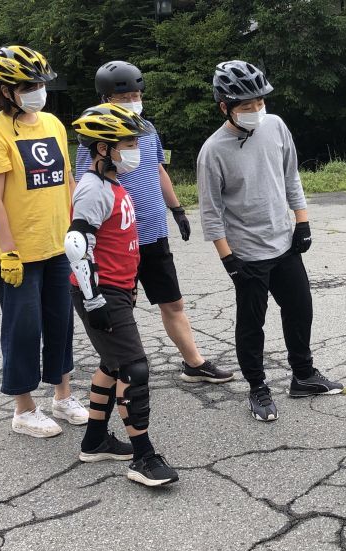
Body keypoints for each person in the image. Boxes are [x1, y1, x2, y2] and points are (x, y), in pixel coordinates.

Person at [197, 60, 344, 422]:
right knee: (252, 324)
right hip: (246, 252)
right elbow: (211, 213)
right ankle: (257, 387)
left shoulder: (275, 126)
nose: (256, 111)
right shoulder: (213, 151)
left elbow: (290, 175)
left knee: (300, 309)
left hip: (284, 241)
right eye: (246, 106)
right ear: (224, 107)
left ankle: (303, 375)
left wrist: (303, 222)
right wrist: (229, 260)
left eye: (259, 103)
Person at [75, 61, 233, 384]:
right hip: (118, 243)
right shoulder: (97, 140)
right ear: (106, 100)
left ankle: (194, 363)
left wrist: (177, 210)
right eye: (125, 97)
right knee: (122, 310)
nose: (134, 100)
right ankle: (122, 367)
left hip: (154, 235)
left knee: (172, 302)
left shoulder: (146, 131)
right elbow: (84, 187)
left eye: (136, 94)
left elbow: (159, 170)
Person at [0, 45, 88, 438]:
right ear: (7, 90)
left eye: (40, 83)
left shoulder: (54, 124)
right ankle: (23, 409)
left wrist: (79, 229)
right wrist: (7, 251)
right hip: (19, 253)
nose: (38, 90)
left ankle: (63, 395)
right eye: (29, 84)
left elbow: (68, 180)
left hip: (58, 246)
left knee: (61, 323)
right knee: (23, 329)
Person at [67, 103, 178, 486]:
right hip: (101, 291)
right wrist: (95, 298)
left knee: (113, 364)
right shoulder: (93, 189)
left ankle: (95, 441)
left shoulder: (113, 183)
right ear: (103, 149)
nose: (136, 149)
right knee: (134, 367)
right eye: (128, 142)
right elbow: (76, 243)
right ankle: (143, 457)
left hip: (118, 287)